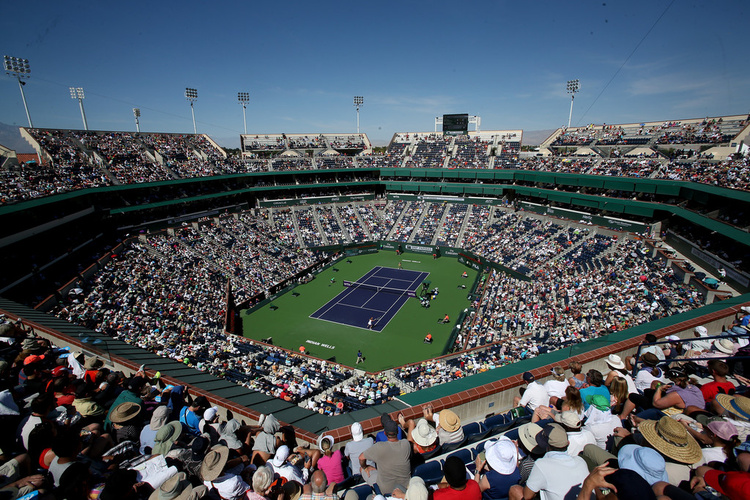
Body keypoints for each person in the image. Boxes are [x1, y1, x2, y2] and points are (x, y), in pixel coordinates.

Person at [509, 423, 589, 500]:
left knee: (515, 490)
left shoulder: (541, 464)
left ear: (547, 447)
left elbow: (527, 496)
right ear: (568, 443)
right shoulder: (581, 461)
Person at [360, 416, 411, 495]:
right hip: (406, 487)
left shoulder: (379, 446)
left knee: (362, 469)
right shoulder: (406, 444)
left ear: (385, 433)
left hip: (385, 490)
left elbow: (361, 457)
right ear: (397, 431)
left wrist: (365, 467)